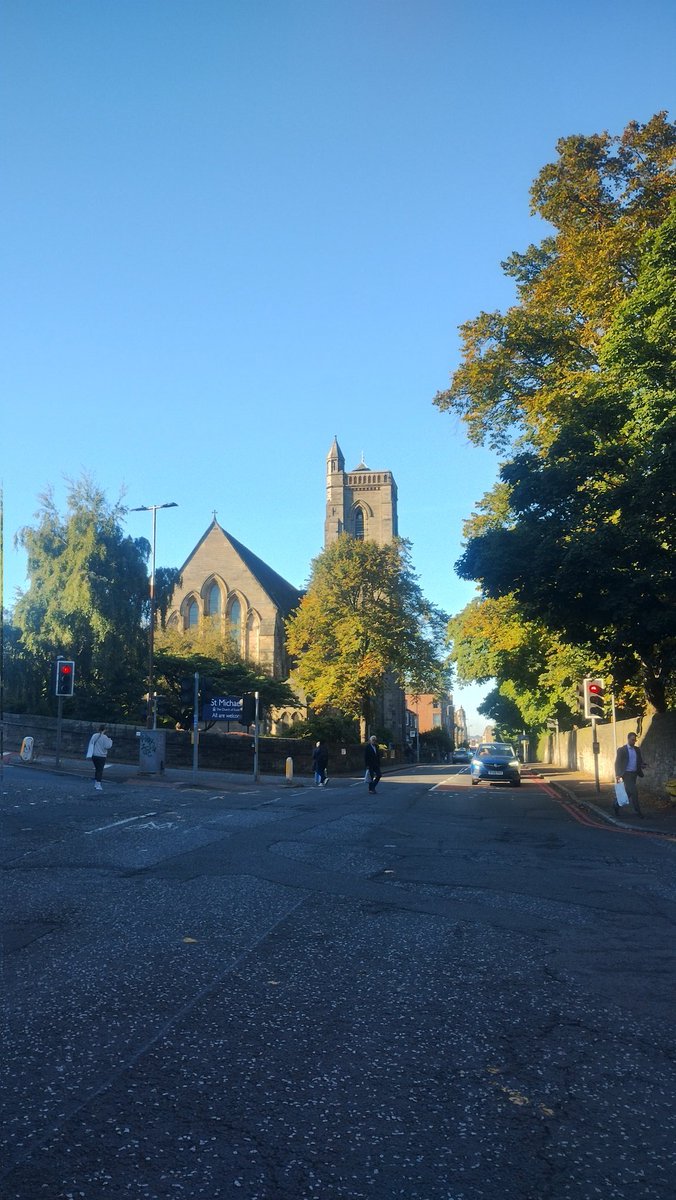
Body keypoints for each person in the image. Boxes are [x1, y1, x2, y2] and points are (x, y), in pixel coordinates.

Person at [614, 731, 648, 818]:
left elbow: (639, 761)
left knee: (629, 792)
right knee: (634, 792)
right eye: (632, 740)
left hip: (634, 774)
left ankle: (616, 805)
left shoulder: (637, 750)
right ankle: (638, 812)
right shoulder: (622, 750)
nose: (634, 741)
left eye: (635, 740)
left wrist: (642, 765)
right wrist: (617, 774)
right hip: (626, 774)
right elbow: (617, 763)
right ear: (628, 739)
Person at [86, 725, 113, 792]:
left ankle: (96, 783)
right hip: (101, 756)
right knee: (100, 770)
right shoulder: (105, 737)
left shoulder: (94, 735)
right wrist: (110, 741)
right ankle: (98, 785)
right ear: (105, 730)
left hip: (94, 755)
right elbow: (107, 746)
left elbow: (91, 743)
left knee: (97, 769)